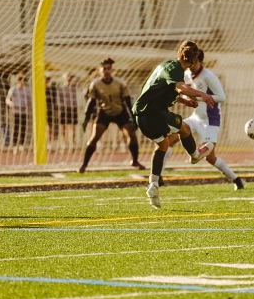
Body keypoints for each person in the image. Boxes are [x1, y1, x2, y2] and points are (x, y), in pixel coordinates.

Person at [132, 41, 217, 209]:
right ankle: (194, 155)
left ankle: (153, 185)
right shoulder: (175, 69)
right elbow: (181, 88)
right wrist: (202, 94)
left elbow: (165, 90)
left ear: (179, 52)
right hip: (154, 114)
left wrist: (185, 101)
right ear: (193, 61)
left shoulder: (165, 65)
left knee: (162, 145)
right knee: (184, 129)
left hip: (141, 116)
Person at [164, 49, 244, 190]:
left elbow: (222, 97)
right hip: (196, 117)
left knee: (210, 158)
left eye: (193, 62)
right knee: (169, 140)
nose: (190, 65)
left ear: (200, 61)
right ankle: (159, 178)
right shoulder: (187, 73)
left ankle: (237, 180)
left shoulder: (209, 76)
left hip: (210, 120)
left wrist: (198, 97)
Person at [79, 58, 145, 172]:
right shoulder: (95, 84)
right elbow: (91, 102)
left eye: (109, 68)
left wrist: (133, 117)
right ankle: (84, 164)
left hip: (120, 112)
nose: (106, 70)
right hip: (104, 113)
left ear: (112, 69)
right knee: (94, 138)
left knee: (132, 136)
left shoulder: (120, 83)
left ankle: (135, 161)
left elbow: (128, 101)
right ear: (100, 70)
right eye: (104, 68)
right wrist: (86, 118)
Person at [5, 72, 32, 150]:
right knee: (16, 128)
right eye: (20, 79)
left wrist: (28, 106)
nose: (22, 81)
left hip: (24, 111)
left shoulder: (27, 90)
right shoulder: (13, 89)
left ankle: (21, 144)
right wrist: (11, 103)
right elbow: (7, 99)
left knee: (23, 128)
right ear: (17, 80)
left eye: (23, 79)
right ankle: (14, 145)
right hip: (16, 111)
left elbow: (29, 100)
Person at [57, 72, 80, 150]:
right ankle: (64, 143)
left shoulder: (75, 87)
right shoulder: (61, 88)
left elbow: (79, 80)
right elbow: (59, 99)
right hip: (64, 108)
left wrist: (74, 78)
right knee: (63, 127)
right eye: (67, 77)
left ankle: (72, 143)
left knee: (73, 127)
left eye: (70, 77)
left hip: (73, 108)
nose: (69, 79)